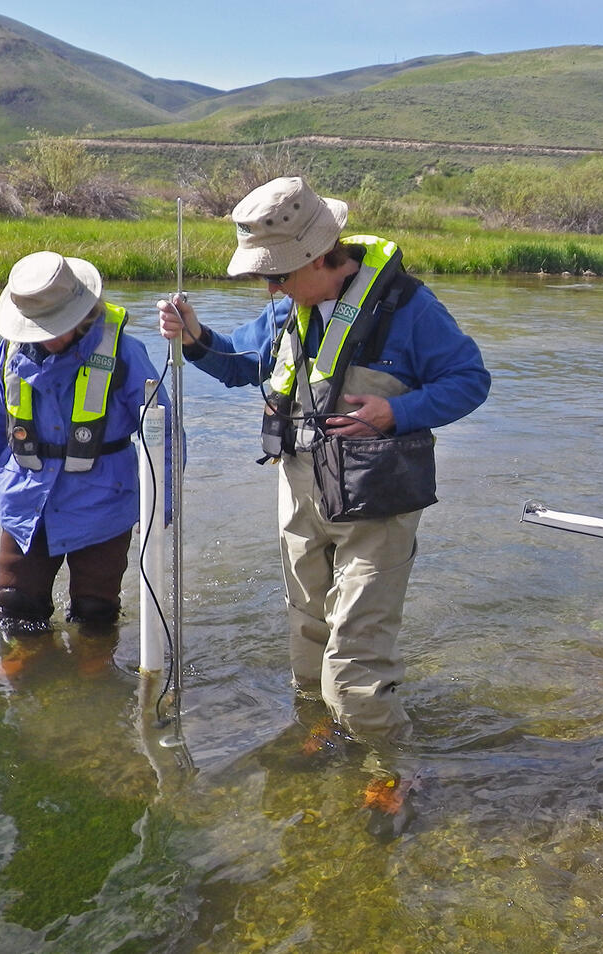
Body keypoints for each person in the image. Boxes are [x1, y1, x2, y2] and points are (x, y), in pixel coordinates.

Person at [157, 176, 490, 746]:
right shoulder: (288, 308)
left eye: (278, 275)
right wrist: (193, 339)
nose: (270, 289)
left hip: (377, 501)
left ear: (318, 257)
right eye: (266, 276)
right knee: (307, 627)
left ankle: (390, 764)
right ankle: (318, 727)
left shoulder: (411, 309)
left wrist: (397, 411)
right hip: (300, 487)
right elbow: (240, 363)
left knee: (357, 654)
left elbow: (470, 381)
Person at [0, 250, 174, 632]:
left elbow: (162, 430)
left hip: (104, 500)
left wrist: (160, 506)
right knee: (15, 607)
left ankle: (91, 681)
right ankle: (26, 681)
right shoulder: (8, 353)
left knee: (95, 613)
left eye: (56, 325)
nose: (49, 337)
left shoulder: (125, 352)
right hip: (27, 497)